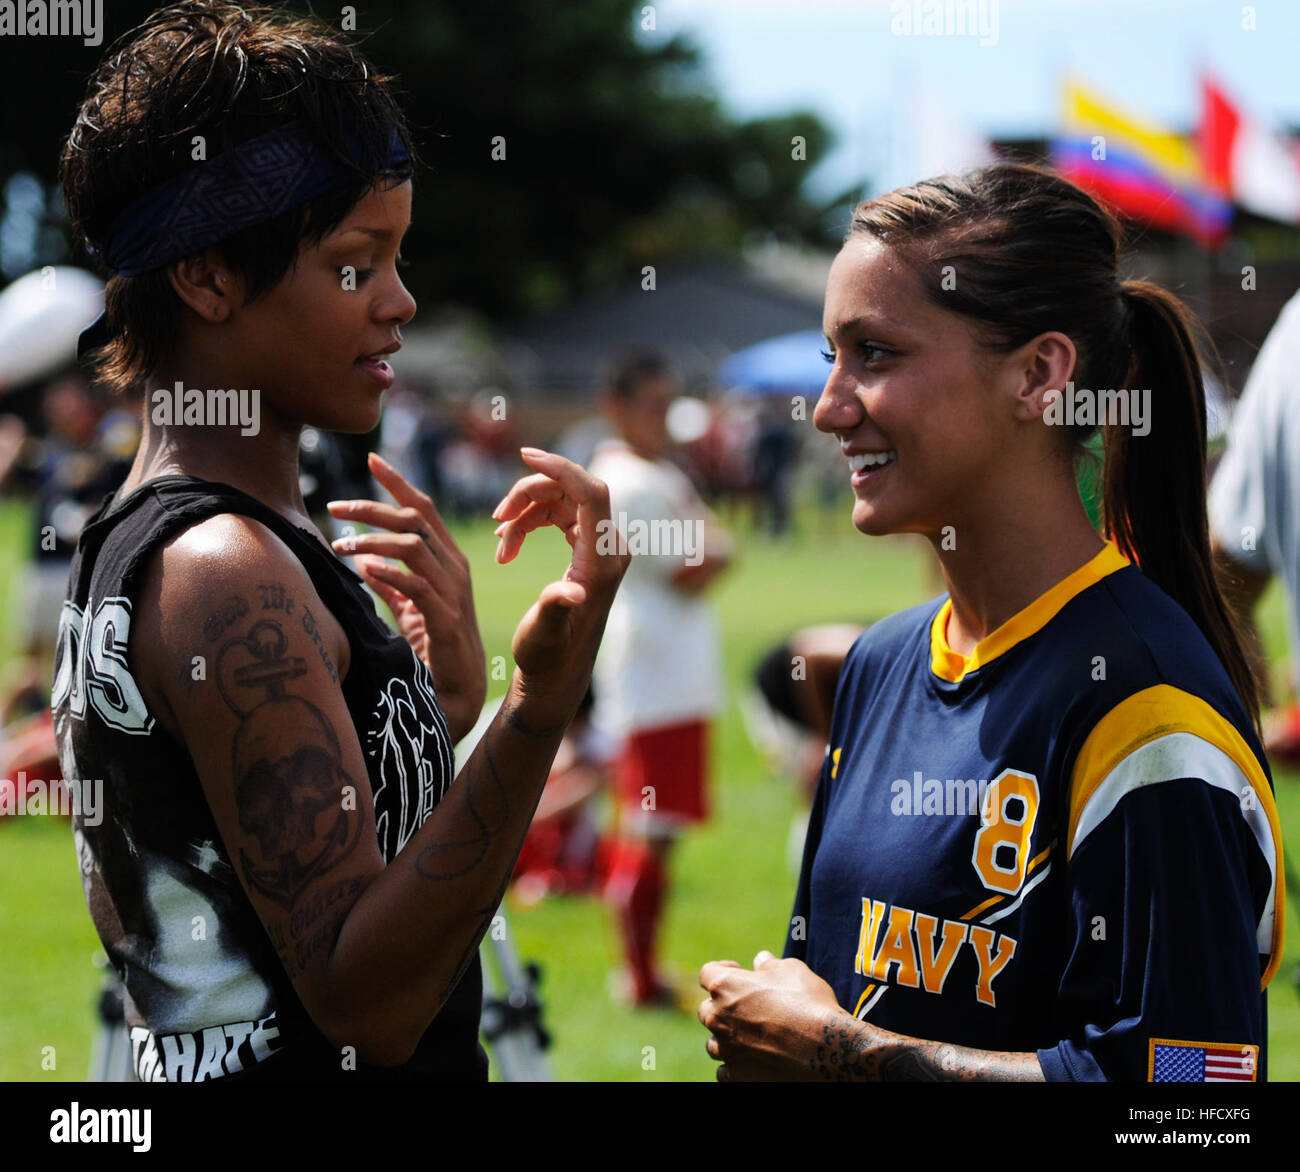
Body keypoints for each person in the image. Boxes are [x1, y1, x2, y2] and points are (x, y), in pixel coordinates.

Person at [52, 1, 625, 1082]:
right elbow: (367, 1006)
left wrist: (436, 710)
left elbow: (284, 861)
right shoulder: (222, 571)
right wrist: (536, 705)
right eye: (359, 263)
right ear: (209, 275)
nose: (400, 302)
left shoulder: (178, 534)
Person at [698, 163, 1284, 1082]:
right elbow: (823, 991)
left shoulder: (1147, 711)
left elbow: (1198, 1103)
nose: (828, 408)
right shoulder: (882, 663)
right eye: (831, 358)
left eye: (877, 354)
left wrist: (838, 1056)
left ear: (1039, 375)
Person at [588, 350, 732, 1007]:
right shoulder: (635, 481)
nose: (663, 419)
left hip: (660, 671)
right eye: (650, 405)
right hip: (659, 674)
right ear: (616, 408)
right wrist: (719, 544)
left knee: (652, 826)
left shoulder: (644, 473)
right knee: (652, 827)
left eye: (667, 405)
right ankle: (639, 975)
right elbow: (693, 565)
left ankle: (640, 969)